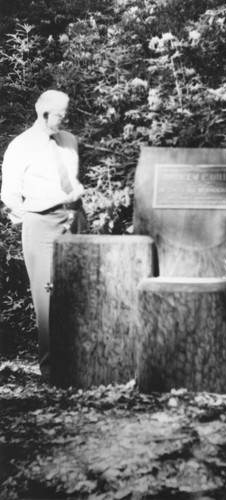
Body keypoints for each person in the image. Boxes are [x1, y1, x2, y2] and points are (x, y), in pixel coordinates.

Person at [1, 89, 88, 380]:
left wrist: (75, 210)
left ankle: (83, 363)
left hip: (74, 217)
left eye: (67, 113)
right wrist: (33, 221)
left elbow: (72, 180)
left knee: (79, 290)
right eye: (61, 114)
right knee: (46, 296)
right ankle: (54, 371)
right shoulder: (21, 145)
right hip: (40, 221)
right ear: (43, 113)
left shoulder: (70, 141)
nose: (65, 119)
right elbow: (10, 194)